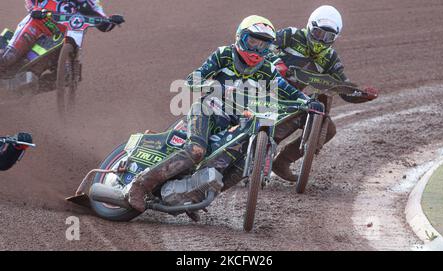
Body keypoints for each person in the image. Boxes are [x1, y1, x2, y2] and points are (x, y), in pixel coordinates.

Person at [126, 15, 323, 212]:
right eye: (252, 42)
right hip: (207, 110)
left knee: (238, 167)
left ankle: (193, 198)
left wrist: (307, 102)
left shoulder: (267, 69)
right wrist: (212, 85)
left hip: (236, 121)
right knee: (196, 151)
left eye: (263, 46)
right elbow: (192, 79)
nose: (256, 49)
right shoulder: (224, 54)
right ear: (240, 37)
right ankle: (140, 185)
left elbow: (286, 89)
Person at [269, 5, 379, 181]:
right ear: (310, 27)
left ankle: (282, 162)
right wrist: (276, 62)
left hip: (294, 99)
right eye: (318, 34)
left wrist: (361, 95)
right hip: (267, 89)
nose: (321, 41)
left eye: (328, 37)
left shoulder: (330, 58)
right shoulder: (291, 35)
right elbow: (263, 46)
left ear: (334, 38)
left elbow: (342, 86)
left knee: (327, 129)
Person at [0, 0, 124, 73]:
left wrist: (111, 21)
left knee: (62, 74)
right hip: (38, 23)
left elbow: (102, 23)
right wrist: (34, 9)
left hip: (61, 36)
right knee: (9, 58)